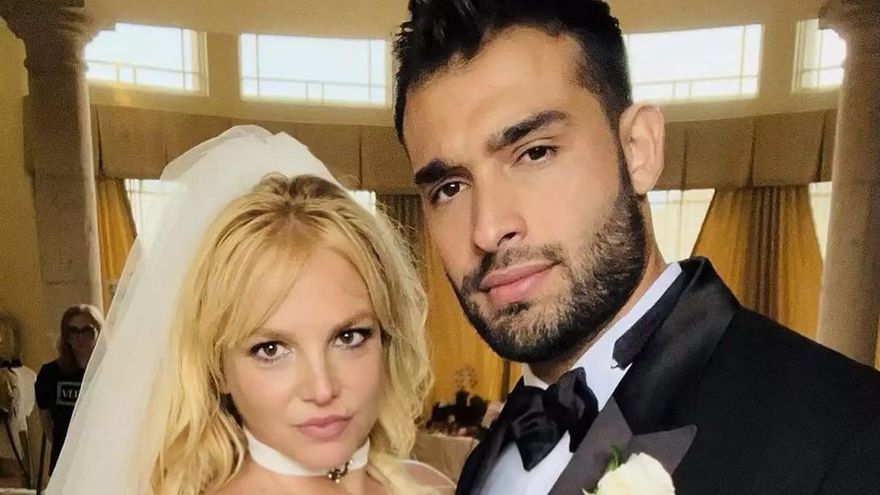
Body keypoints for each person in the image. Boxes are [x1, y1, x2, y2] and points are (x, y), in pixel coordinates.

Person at [392, 1, 880, 494]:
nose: (488, 228)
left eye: (535, 153)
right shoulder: (487, 458)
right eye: (448, 189)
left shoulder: (851, 434)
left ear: (639, 150)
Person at [47, 127, 451, 495]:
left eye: (349, 337)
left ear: (387, 337)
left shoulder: (432, 487)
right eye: (270, 349)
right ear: (218, 368)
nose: (322, 388)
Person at [34, 304, 102, 473]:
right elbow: (46, 420)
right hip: (65, 461)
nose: (80, 338)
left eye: (86, 331)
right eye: (73, 331)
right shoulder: (50, 374)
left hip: (101, 458)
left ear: (98, 332)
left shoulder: (109, 372)